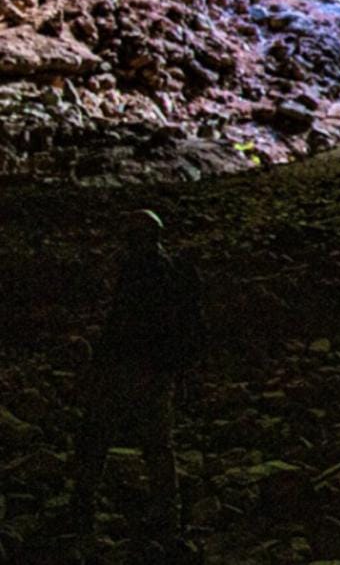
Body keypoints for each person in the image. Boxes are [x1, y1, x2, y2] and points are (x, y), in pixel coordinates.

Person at [70, 209, 205, 554]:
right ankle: (166, 512)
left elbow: (119, 325)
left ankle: (84, 505)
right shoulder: (174, 272)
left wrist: (98, 364)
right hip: (158, 372)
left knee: (98, 434)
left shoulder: (135, 273)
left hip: (125, 368)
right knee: (158, 444)